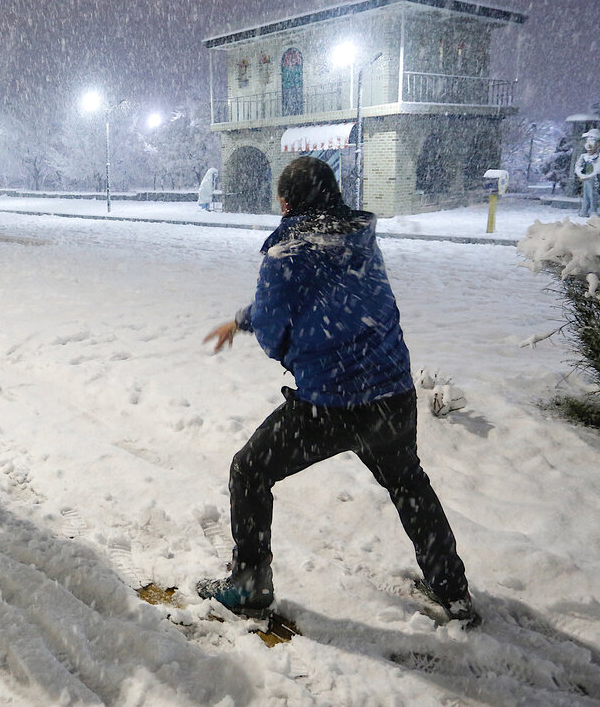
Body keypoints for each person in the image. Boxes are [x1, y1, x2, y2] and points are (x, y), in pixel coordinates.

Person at [196, 156, 478, 625]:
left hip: (329, 406)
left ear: (287, 202)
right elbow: (327, 297)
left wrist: (260, 330)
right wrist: (243, 320)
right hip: (391, 395)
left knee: (249, 471)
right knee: (408, 484)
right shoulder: (360, 239)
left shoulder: (287, 253)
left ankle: (249, 586)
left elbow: (273, 327)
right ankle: (453, 591)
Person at [576, 128, 600, 218]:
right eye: (587, 143)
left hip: (594, 179)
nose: (589, 147)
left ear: (598, 145)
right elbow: (578, 167)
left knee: (592, 195)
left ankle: (593, 211)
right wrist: (581, 175)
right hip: (586, 179)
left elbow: (599, 168)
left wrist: (591, 175)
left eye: (593, 143)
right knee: (585, 195)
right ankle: (584, 210)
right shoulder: (584, 156)